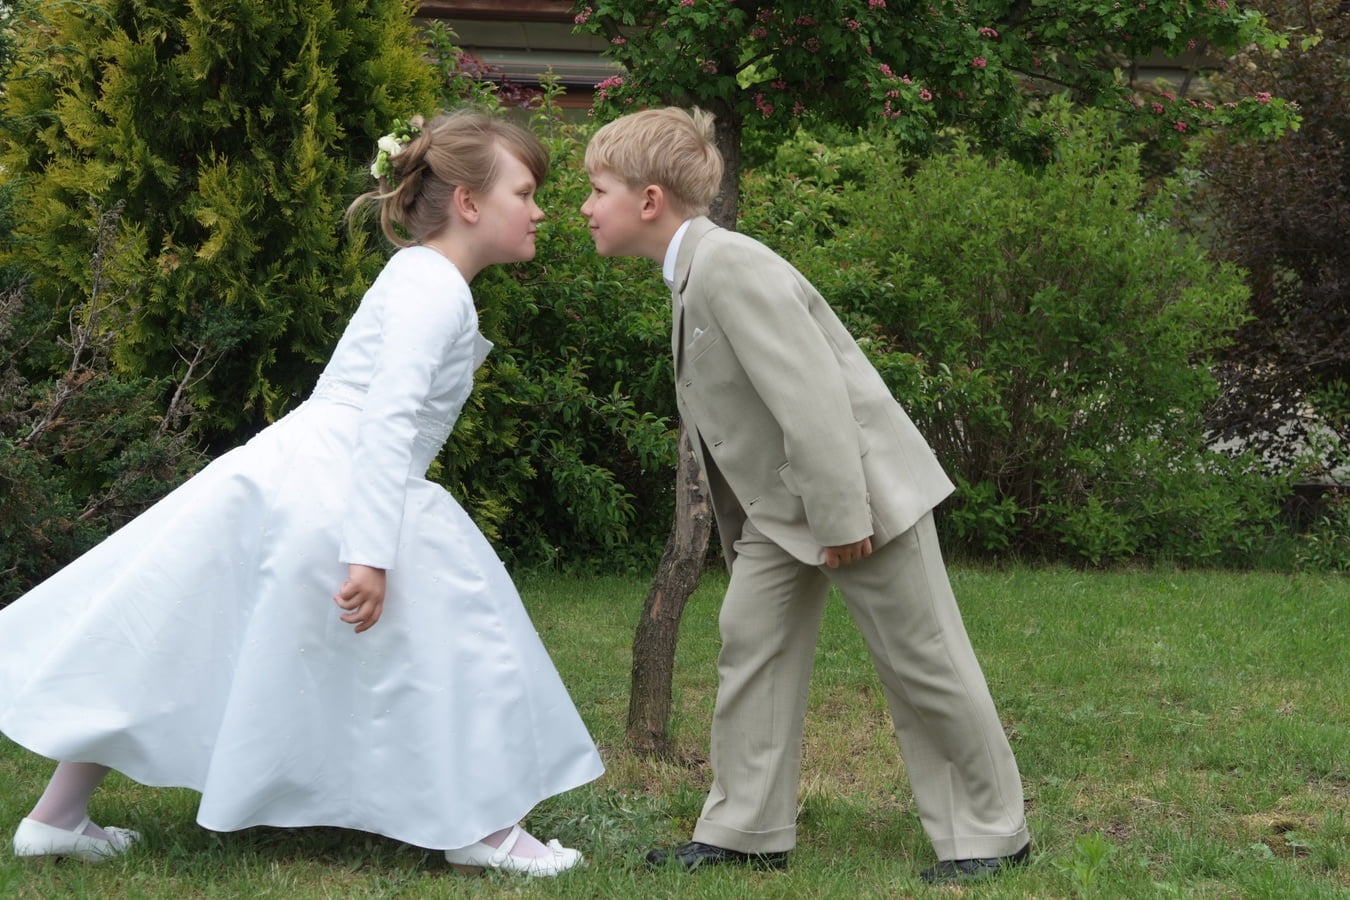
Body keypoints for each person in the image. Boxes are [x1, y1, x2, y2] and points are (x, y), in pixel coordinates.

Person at [0, 109, 603, 877]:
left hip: (301, 467)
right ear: (469, 204)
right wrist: (369, 551)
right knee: (467, 637)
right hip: (338, 480)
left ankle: (57, 814)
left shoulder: (425, 276)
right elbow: (388, 418)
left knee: (174, 629)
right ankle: (482, 827)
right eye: (526, 190)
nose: (541, 208)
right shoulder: (435, 288)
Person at [580, 107, 1030, 885]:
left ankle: (991, 834)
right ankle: (746, 829)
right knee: (750, 641)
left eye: (596, 190)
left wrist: (843, 519)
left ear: (649, 200)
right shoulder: (694, 271)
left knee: (922, 660)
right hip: (780, 509)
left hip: (857, 496)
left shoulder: (729, 266)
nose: (585, 207)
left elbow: (814, 399)